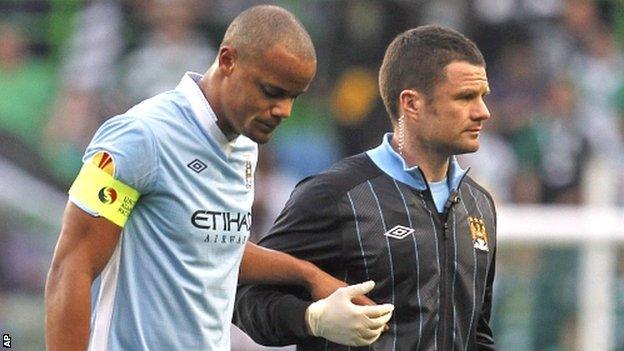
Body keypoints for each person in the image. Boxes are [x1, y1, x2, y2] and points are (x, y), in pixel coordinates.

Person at [44, 5, 393, 351]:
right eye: (272, 92)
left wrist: (310, 275)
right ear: (228, 61)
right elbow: (71, 268)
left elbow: (212, 244)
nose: (284, 111)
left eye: (293, 97)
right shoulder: (140, 137)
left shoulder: (244, 147)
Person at [234, 25, 497, 350]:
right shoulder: (336, 195)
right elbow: (244, 295)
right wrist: (312, 318)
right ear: (411, 104)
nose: (483, 112)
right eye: (465, 97)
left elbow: (476, 330)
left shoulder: (478, 204)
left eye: (483, 97)